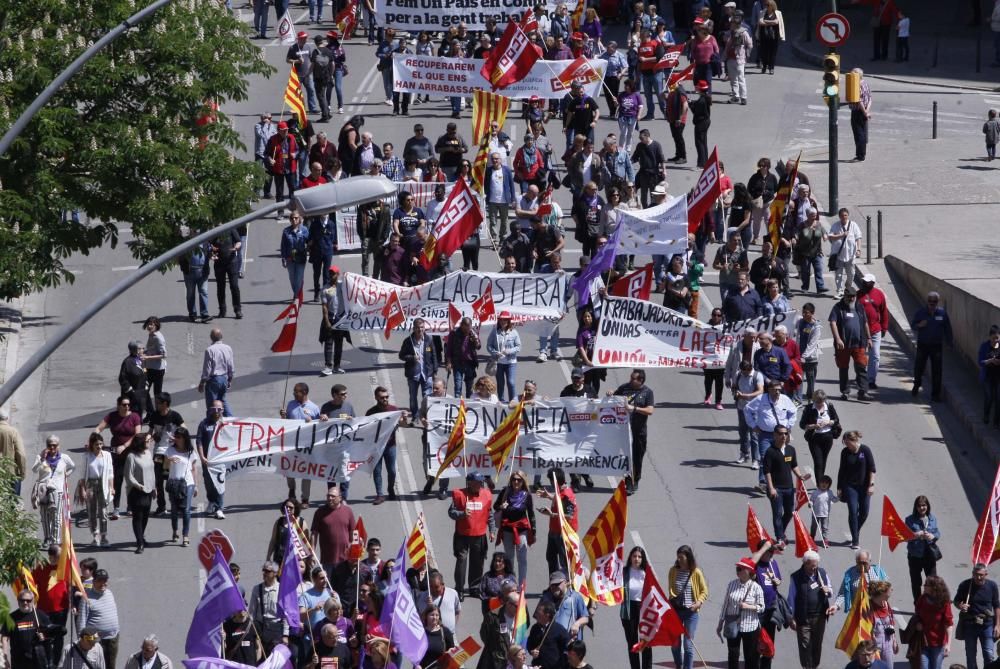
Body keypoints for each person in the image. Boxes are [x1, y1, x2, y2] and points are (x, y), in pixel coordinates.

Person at [449, 472, 495, 600]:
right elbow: (451, 512)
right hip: (462, 535)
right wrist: (462, 514)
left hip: (479, 535)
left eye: (481, 482)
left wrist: (492, 530)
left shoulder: (486, 494)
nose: (480, 484)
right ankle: (459, 589)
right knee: (461, 561)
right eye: (477, 482)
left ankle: (474, 588)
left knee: (477, 562)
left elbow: (489, 514)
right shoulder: (459, 495)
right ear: (469, 483)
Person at [744, 381, 796, 491]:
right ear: (769, 390)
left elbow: (793, 412)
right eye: (775, 389)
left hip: (782, 434)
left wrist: (789, 426)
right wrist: (753, 425)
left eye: (779, 389)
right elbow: (747, 409)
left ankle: (777, 481)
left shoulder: (785, 399)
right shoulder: (760, 399)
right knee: (765, 457)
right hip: (766, 434)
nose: (777, 392)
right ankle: (763, 482)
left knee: (781, 457)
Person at [787, 550, 835, 669]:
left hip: (820, 617)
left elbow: (830, 589)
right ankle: (806, 666)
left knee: (817, 645)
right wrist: (791, 618)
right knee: (805, 645)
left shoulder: (822, 573)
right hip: (804, 618)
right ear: (805, 563)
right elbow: (791, 598)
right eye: (812, 566)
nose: (815, 569)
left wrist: (828, 591)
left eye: (816, 566)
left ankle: (814, 666)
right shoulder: (796, 577)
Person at [717, 557, 765, 669]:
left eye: (741, 569)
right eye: (738, 568)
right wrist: (720, 624)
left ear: (749, 572)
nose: (738, 571)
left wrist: (748, 606)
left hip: (750, 627)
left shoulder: (756, 587)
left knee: (751, 657)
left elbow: (762, 607)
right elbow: (725, 605)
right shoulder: (732, 584)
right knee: (733, 655)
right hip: (733, 625)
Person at [611, 370, 654, 495]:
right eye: (630, 377)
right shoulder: (624, 388)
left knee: (637, 457)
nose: (630, 380)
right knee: (627, 457)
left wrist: (634, 408)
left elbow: (650, 410)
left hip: (639, 431)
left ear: (640, 380)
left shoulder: (647, 392)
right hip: (624, 430)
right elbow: (614, 398)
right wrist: (611, 393)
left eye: (633, 378)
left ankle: (636, 479)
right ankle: (629, 482)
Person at [668, 545, 709, 669]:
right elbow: (671, 589)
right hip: (676, 612)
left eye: (682, 557)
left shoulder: (696, 572)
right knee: (675, 643)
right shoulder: (673, 570)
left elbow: (704, 591)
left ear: (688, 557)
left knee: (688, 644)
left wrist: (698, 603)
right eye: (678, 557)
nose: (679, 560)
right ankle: (678, 665)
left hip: (691, 612)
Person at [494, 470, 536, 587]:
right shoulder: (505, 492)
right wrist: (501, 506)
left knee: (522, 559)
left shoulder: (526, 495)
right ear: (511, 480)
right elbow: (495, 506)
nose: (516, 482)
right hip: (507, 530)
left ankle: (522, 585)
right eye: (514, 479)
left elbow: (531, 513)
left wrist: (533, 531)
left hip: (521, 530)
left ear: (523, 481)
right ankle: (511, 583)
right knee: (509, 558)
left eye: (519, 479)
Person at [953, 564, 1000, 668]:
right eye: (976, 574)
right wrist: (961, 606)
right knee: (970, 655)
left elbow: (997, 606)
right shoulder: (965, 585)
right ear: (973, 574)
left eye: (981, 575)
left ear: (986, 574)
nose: (979, 577)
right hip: (970, 625)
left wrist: (997, 625)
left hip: (987, 625)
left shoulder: (992, 586)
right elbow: (956, 601)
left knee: (989, 654)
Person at [836, 431, 876, 551]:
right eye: (845, 443)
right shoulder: (844, 452)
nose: (846, 446)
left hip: (864, 487)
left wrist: (871, 485)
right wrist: (839, 487)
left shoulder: (865, 450)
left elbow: (872, 469)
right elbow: (841, 470)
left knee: (864, 512)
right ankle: (855, 539)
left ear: (854, 441)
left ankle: (855, 529)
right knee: (853, 511)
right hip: (850, 486)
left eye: (848, 443)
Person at [32, 435, 75, 548]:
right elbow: (34, 470)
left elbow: (72, 467)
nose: (52, 448)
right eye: (49, 445)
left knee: (56, 517)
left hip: (57, 492)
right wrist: (41, 459)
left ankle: (55, 540)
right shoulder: (41, 457)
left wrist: (66, 475)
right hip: (43, 491)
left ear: (58, 446)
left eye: (54, 445)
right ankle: (47, 538)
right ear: (46, 446)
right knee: (45, 517)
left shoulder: (64, 458)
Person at [828, 288, 871, 401]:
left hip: (859, 343)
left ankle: (863, 391)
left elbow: (865, 322)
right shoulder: (838, 307)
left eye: (853, 296)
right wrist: (838, 339)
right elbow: (833, 323)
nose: (851, 298)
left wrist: (869, 338)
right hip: (843, 345)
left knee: (861, 367)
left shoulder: (859, 306)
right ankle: (845, 392)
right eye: (849, 296)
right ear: (845, 296)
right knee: (843, 368)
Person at [910, 291, 953, 402]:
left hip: (936, 346)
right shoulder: (921, 312)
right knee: (919, 367)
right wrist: (920, 325)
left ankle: (935, 394)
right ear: (927, 301)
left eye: (934, 301)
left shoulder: (942, 313)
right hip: (923, 344)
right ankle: (917, 384)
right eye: (930, 301)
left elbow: (948, 329)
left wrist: (949, 342)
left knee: (937, 371)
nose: (932, 303)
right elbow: (913, 325)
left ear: (937, 302)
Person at [536, 468, 576, 573]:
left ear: (555, 481)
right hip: (553, 530)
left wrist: (552, 514)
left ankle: (565, 586)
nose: (550, 483)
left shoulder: (567, 495)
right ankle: (553, 585)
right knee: (551, 557)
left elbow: (570, 515)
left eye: (551, 481)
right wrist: (549, 496)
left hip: (562, 533)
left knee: (564, 562)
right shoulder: (561, 491)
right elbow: (559, 499)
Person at [399, 318, 439, 421]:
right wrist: (412, 358)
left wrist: (435, 370)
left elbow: (434, 355)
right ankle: (415, 415)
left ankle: (427, 416)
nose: (420, 330)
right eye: (417, 328)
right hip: (413, 375)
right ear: (413, 328)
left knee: (427, 397)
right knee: (413, 397)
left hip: (427, 374)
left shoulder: (429, 340)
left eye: (422, 327)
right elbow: (401, 355)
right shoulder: (408, 341)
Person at [79, 570, 120, 669]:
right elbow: (81, 620)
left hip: (112, 637)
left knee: (110, 665)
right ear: (93, 581)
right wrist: (82, 640)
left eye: (105, 580)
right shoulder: (86, 597)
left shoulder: (109, 593)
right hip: (95, 639)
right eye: (100, 581)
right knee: (95, 664)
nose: (103, 583)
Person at [365, 387, 400, 504]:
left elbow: (402, 424)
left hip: (390, 445)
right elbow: (365, 429)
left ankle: (390, 488)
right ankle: (380, 495)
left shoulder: (394, 410)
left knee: (392, 471)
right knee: (377, 471)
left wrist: (403, 419)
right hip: (376, 447)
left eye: (386, 397)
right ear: (376, 398)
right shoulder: (370, 412)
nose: (385, 399)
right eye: (382, 397)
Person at [165, 425, 199, 546]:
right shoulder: (170, 450)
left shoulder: (190, 452)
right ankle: (175, 530)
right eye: (176, 436)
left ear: (185, 438)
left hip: (188, 484)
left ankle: (186, 535)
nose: (176, 439)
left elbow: (194, 469)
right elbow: (164, 467)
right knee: (174, 510)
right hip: (174, 483)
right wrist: (169, 460)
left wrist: (196, 485)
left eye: (179, 437)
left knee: (186, 510)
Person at [124, 431, 156, 553]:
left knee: (146, 517)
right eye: (147, 441)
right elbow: (129, 476)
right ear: (141, 442)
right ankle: (140, 543)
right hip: (136, 492)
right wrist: (139, 486)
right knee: (138, 517)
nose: (149, 443)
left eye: (149, 441)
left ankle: (141, 536)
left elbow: (152, 472)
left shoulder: (148, 453)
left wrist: (154, 488)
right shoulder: (131, 456)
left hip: (148, 490)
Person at [311, 487, 356, 574]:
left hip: (345, 559)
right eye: (328, 496)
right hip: (328, 559)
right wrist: (312, 551)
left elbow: (353, 532)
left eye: (333, 496)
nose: (330, 498)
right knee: (329, 586)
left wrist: (353, 550)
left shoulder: (348, 511)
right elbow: (314, 533)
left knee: (342, 586)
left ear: (340, 498)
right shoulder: (319, 512)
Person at [912, 575, 953, 669]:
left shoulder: (944, 602)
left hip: (938, 644)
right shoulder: (922, 599)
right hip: (923, 641)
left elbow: (949, 624)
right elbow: (917, 613)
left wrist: (948, 644)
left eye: (926, 585)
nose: (924, 586)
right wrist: (918, 622)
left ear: (934, 587)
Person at [906, 495, 942, 603]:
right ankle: (918, 604)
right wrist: (916, 534)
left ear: (927, 506)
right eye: (919, 506)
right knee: (916, 582)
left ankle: (931, 603)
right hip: (915, 555)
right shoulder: (910, 519)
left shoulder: (932, 518)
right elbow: (905, 536)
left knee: (932, 581)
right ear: (916, 507)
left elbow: (937, 532)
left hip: (929, 555)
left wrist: (933, 536)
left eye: (924, 505)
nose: (922, 508)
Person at [799, 389, 840, 479]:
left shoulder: (829, 406)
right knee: (818, 462)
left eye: (821, 401)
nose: (819, 404)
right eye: (817, 402)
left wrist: (829, 422)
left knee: (823, 461)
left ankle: (821, 482)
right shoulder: (809, 408)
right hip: (814, 437)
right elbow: (802, 424)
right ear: (813, 400)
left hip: (827, 437)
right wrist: (813, 426)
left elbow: (836, 420)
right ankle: (820, 485)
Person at [5, 589, 51, 669]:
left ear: (33, 601)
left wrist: (45, 636)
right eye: (22, 600)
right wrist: (5, 658)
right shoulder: (11, 618)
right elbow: (4, 637)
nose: (25, 603)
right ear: (18, 601)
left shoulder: (40, 615)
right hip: (19, 662)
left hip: (38, 661)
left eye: (28, 600)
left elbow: (52, 633)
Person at [857, 274, 888, 390]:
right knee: (860, 356)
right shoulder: (857, 295)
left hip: (875, 330)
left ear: (872, 283)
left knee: (875, 356)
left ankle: (871, 380)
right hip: (861, 331)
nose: (864, 284)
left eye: (867, 282)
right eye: (863, 282)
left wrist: (884, 327)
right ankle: (861, 376)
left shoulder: (879, 294)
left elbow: (884, 311)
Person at [81, 433, 113, 547]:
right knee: (92, 512)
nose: (99, 446)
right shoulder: (87, 456)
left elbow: (110, 473)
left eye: (100, 444)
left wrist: (112, 487)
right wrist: (83, 490)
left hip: (103, 484)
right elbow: (82, 475)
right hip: (91, 484)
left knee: (103, 512)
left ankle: (104, 537)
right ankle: (95, 536)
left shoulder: (107, 455)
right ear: (92, 445)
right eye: (96, 444)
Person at [539, 571, 589, 641]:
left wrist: (577, 624)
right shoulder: (546, 598)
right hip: (552, 643)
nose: (554, 587)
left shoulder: (575, 597)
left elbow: (585, 618)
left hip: (570, 642)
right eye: (552, 585)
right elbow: (539, 620)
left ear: (565, 582)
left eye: (557, 584)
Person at [731, 360, 764, 466]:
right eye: (742, 371)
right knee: (742, 432)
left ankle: (755, 460)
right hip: (741, 408)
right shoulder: (738, 374)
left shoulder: (757, 376)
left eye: (745, 372)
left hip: (754, 409)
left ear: (750, 369)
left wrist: (746, 396)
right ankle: (744, 454)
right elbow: (734, 386)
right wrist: (736, 392)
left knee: (754, 434)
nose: (744, 374)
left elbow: (760, 391)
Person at [198, 329, 235, 416]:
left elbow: (207, 370)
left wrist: (202, 383)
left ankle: (211, 425)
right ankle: (230, 421)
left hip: (214, 380)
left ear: (211, 338)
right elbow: (231, 366)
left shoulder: (210, 350)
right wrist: (229, 380)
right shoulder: (228, 348)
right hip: (224, 379)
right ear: (221, 336)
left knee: (212, 406)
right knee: (222, 401)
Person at [827, 208, 863, 299]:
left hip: (850, 255)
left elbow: (858, 238)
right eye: (842, 215)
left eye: (846, 215)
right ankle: (839, 290)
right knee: (838, 274)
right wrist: (841, 235)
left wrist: (859, 249)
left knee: (851, 273)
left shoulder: (853, 225)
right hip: (838, 255)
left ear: (848, 215)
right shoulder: (835, 225)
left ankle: (847, 287)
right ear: (839, 216)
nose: (844, 217)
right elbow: (830, 237)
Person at [487, 312, 521, 403]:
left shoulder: (514, 332)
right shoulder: (494, 331)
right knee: (500, 384)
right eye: (501, 319)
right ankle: (501, 402)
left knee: (511, 382)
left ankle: (513, 402)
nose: (503, 321)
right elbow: (489, 346)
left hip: (511, 362)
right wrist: (495, 353)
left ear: (509, 321)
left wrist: (508, 351)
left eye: (505, 319)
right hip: (499, 363)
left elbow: (518, 347)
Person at [526, 600, 570, 669]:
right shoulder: (535, 628)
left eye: (538, 612)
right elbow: (530, 644)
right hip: (537, 666)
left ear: (547, 615)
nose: (536, 614)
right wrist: (532, 651)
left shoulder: (559, 630)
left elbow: (567, 649)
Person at [445, 317, 481, 399]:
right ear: (461, 325)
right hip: (458, 363)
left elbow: (478, 347)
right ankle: (458, 407)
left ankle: (468, 408)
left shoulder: (473, 334)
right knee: (458, 387)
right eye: (465, 326)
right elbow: (449, 349)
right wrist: (448, 362)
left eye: (469, 326)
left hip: (470, 364)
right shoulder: (454, 334)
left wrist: (475, 340)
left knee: (469, 388)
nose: (467, 328)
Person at [478, 594, 516, 669]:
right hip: (498, 660)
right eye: (517, 606)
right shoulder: (493, 616)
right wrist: (495, 648)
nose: (520, 608)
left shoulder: (521, 615)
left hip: (515, 658)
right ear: (509, 604)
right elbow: (484, 635)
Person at [118, 341, 148, 421]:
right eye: (140, 349)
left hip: (141, 393)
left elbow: (144, 373)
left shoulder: (141, 360)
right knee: (131, 416)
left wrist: (146, 384)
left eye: (142, 348)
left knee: (139, 415)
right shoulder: (127, 362)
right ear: (135, 350)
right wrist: (130, 390)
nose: (142, 350)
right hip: (131, 395)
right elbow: (122, 379)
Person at [418, 605, 455, 669]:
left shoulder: (445, 631)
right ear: (426, 616)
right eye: (432, 615)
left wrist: (450, 652)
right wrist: (417, 665)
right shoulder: (420, 632)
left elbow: (453, 649)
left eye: (437, 615)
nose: (435, 617)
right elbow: (413, 652)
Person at [848, 68, 872, 161]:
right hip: (864, 111)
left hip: (858, 112)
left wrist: (864, 112)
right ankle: (861, 154)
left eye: (852, 74)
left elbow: (859, 101)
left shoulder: (856, 85)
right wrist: (867, 111)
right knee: (863, 133)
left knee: (859, 134)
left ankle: (860, 155)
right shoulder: (865, 83)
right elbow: (870, 98)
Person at [689, 80, 712, 168]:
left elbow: (696, 111)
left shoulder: (701, 100)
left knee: (699, 143)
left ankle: (701, 164)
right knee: (703, 142)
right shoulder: (705, 97)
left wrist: (691, 105)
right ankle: (705, 162)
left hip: (701, 123)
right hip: (705, 121)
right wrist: (693, 103)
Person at [981, 326, 1000, 427]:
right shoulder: (984, 346)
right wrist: (990, 361)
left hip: (998, 377)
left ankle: (996, 422)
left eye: (997, 338)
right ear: (989, 337)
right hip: (988, 377)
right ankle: (986, 415)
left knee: (998, 399)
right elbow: (980, 361)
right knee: (989, 398)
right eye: (993, 338)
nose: (995, 340)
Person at [809, 475, 837, 543]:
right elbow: (811, 500)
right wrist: (810, 504)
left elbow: (833, 500)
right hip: (816, 513)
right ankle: (811, 538)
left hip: (825, 514)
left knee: (824, 528)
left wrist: (838, 497)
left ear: (829, 485)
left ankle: (825, 540)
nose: (824, 484)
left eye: (826, 483)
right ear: (819, 483)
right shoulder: (815, 492)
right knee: (814, 527)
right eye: (822, 483)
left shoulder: (829, 492)